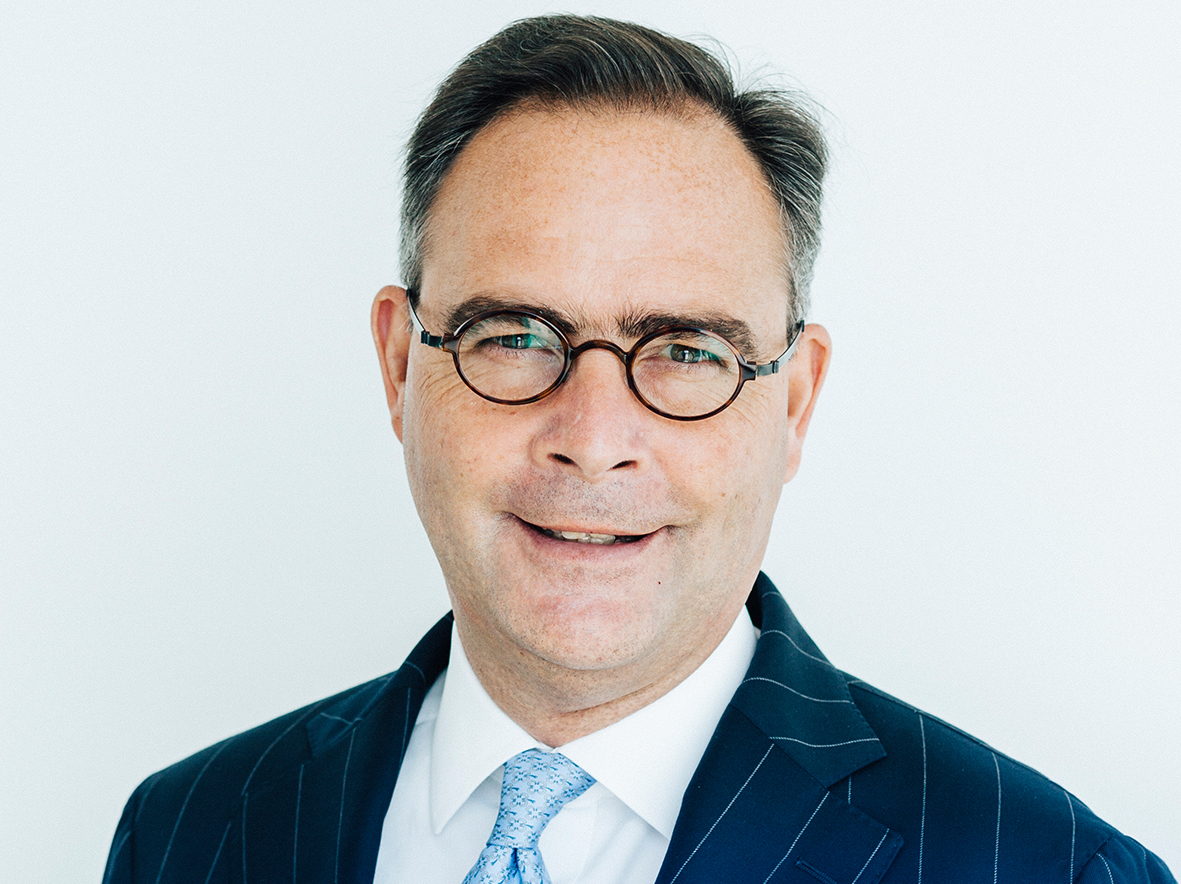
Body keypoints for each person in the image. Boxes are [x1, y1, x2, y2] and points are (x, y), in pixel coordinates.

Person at [102, 14, 1174, 884]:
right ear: (398, 365)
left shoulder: (1050, 869)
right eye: (514, 337)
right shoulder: (188, 832)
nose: (593, 441)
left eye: (686, 350)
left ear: (794, 402)